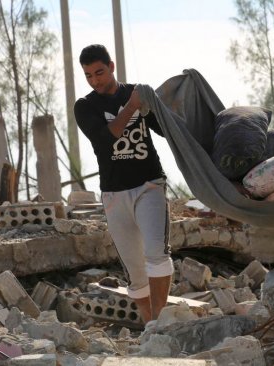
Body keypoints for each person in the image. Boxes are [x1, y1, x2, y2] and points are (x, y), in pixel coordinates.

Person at [74, 44, 173, 323]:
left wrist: (159, 103)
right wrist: (132, 106)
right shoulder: (85, 106)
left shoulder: (138, 94)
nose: (96, 80)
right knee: (134, 270)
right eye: (89, 76)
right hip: (114, 194)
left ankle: (161, 322)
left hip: (149, 185)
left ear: (112, 66)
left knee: (156, 252)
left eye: (100, 72)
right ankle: (150, 323)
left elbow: (167, 129)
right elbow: (107, 139)